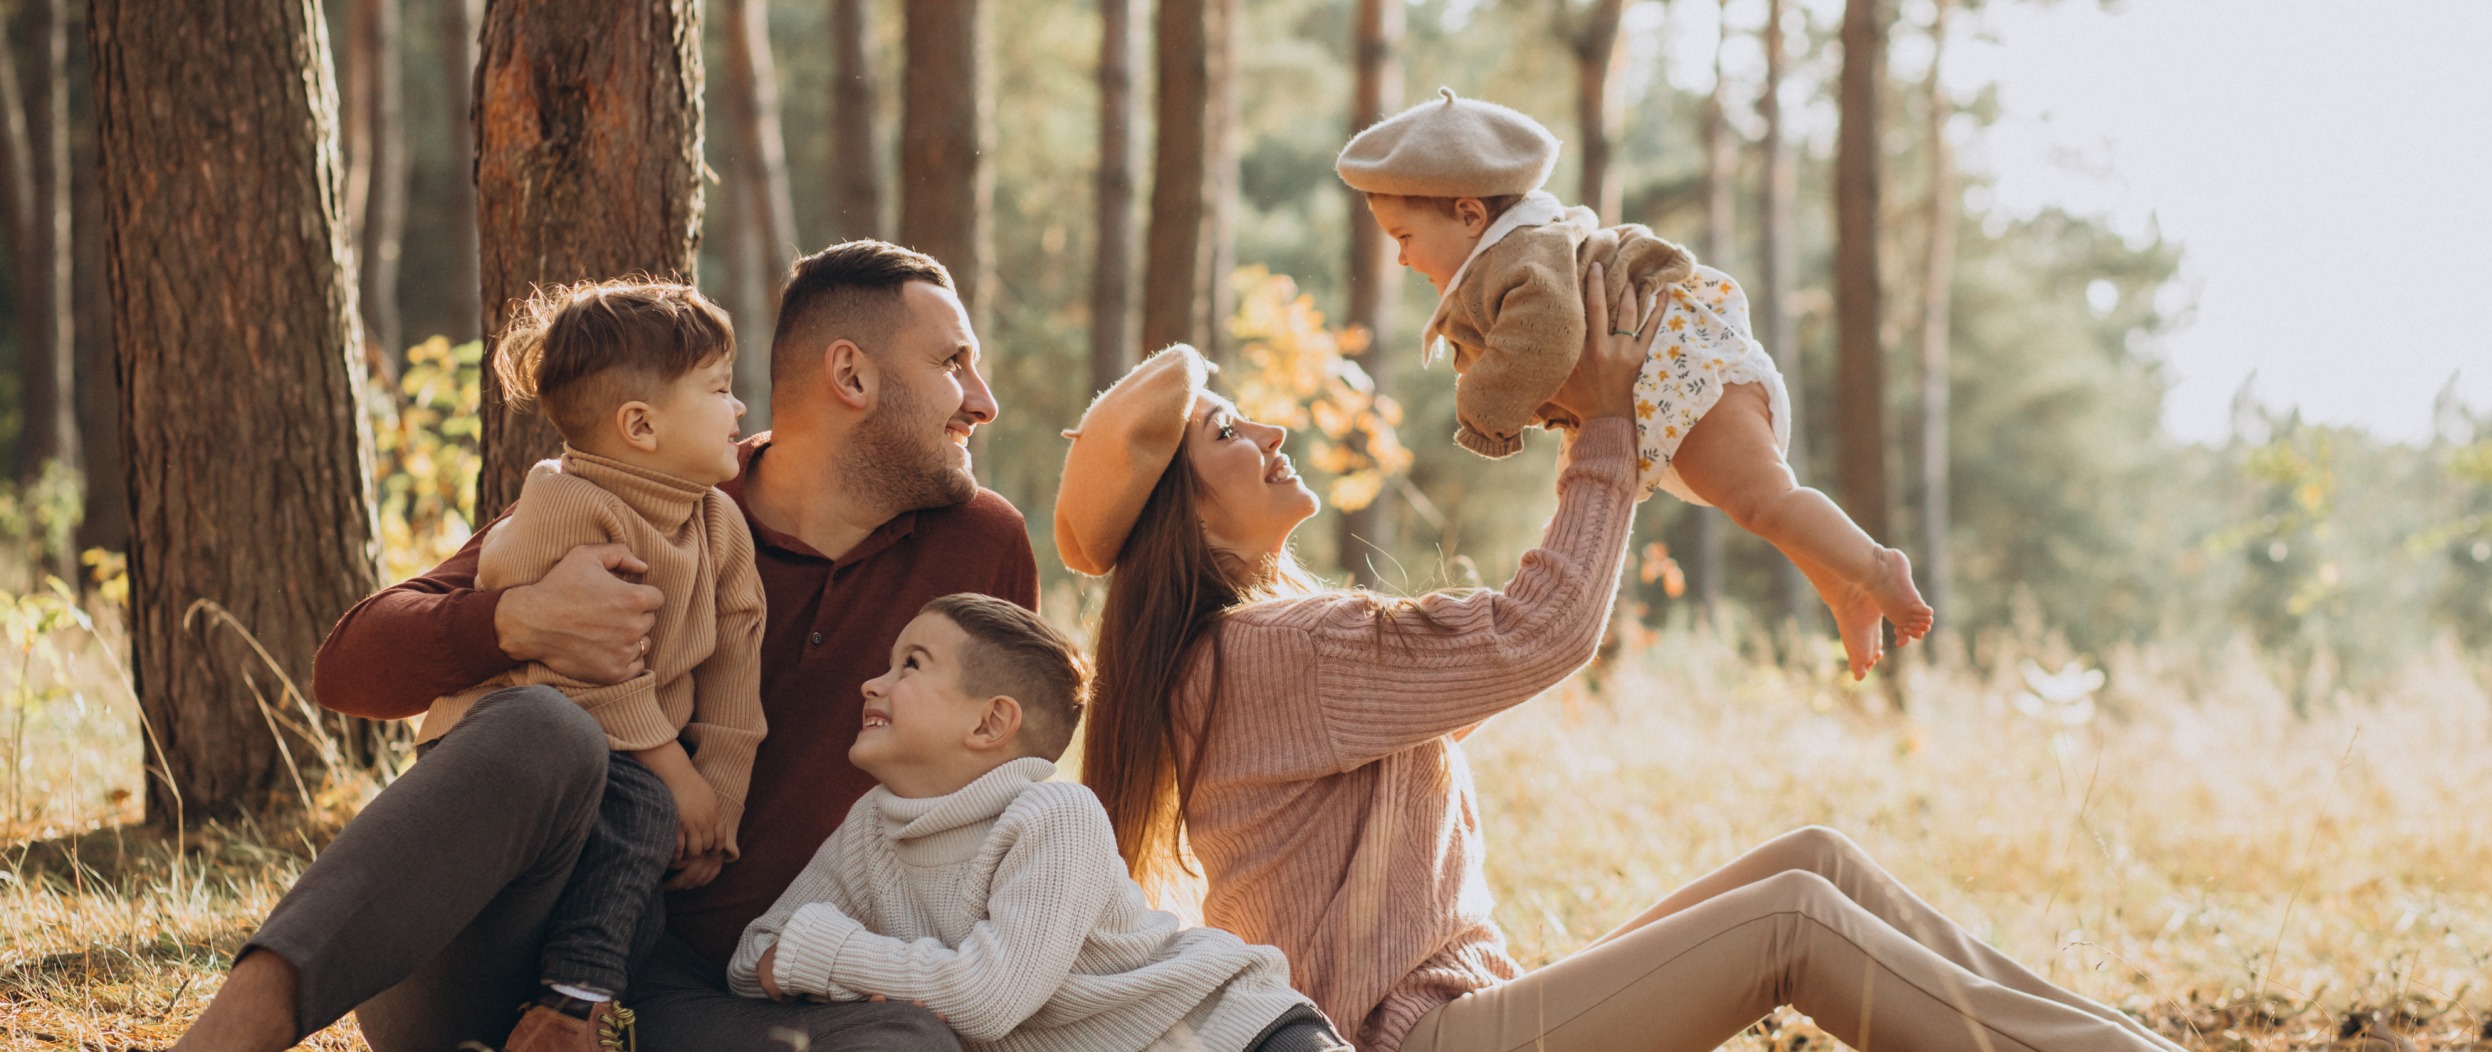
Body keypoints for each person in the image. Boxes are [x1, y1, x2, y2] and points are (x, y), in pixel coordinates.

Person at [1054, 274, 2189, 1052]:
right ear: (1183, 519)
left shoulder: (1250, 647)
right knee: (1789, 915)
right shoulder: (1266, 651)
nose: (1269, 434)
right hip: (1421, 1042)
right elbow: (1538, 629)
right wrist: (1603, 429)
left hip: (1462, 1015)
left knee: (1812, 858)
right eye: (1227, 433)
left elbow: (1503, 635)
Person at [172, 241, 1035, 1052]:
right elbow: (347, 667)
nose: (984, 401)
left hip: (733, 1001)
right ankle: (237, 1029)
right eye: (953, 363)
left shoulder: (981, 546)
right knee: (545, 728)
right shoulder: (641, 495)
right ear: (851, 374)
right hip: (506, 961)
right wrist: (516, 620)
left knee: (908, 1046)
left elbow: (1015, 787)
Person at [1339, 87, 1930, 677]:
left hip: (1687, 376)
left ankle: (1876, 567)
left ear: (1469, 214)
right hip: (1663, 391)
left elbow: (1545, 333)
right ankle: (1846, 589)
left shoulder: (1523, 256)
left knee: (1764, 501)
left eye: (1404, 238)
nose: (1402, 260)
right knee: (1760, 503)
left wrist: (1484, 408)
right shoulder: (1511, 255)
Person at [729, 593, 1345, 1052]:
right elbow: (751, 957)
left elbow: (986, 998)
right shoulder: (871, 828)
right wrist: (814, 958)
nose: (872, 683)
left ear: (991, 724)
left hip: (1237, 1034)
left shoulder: (1054, 816)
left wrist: (822, 952)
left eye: (910, 666)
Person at [408, 278, 768, 1050]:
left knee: (641, 909)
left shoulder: (718, 524)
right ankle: (567, 1021)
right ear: (640, 424)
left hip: (630, 765)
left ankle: (552, 1020)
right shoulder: (564, 504)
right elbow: (564, 674)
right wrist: (677, 779)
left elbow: (736, 678)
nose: (739, 409)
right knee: (640, 810)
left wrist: (719, 808)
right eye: (719, 389)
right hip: (521, 752)